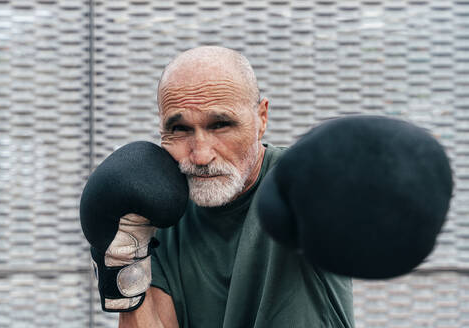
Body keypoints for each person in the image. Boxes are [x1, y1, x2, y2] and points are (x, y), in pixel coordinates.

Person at [118, 46, 355, 328]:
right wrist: (121, 263)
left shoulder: (301, 182)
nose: (201, 156)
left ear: (261, 118)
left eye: (220, 124)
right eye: (180, 129)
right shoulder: (157, 217)